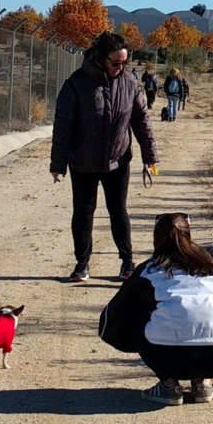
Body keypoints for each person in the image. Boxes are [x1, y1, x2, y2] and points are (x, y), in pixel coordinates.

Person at [98, 213, 213, 405]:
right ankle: (202, 383)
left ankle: (168, 386)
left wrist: (127, 341)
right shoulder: (212, 268)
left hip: (167, 357)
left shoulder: (148, 270)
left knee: (142, 312)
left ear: (156, 239)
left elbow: (112, 316)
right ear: (189, 236)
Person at [50, 32, 159, 283]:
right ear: (100, 58)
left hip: (118, 160)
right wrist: (58, 163)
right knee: (83, 212)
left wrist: (150, 157)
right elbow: (62, 127)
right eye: (115, 63)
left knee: (118, 210)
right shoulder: (76, 84)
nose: (120, 68)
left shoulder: (130, 82)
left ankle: (127, 262)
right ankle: (82, 264)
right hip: (83, 162)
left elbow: (142, 122)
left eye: (124, 63)